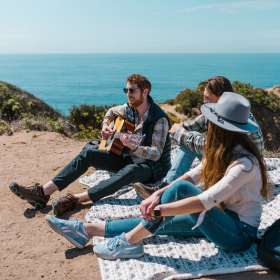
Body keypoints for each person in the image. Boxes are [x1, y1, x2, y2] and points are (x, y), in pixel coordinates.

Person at [45, 92, 271, 258]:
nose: (208, 127)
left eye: (212, 123)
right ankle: (86, 230)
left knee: (176, 196)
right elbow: (193, 175)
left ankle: (130, 243)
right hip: (219, 219)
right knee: (158, 222)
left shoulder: (245, 164)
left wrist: (159, 209)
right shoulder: (222, 152)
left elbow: (205, 201)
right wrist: (159, 195)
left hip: (238, 234)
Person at [9, 74, 171, 215]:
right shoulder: (130, 108)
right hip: (127, 156)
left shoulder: (159, 119)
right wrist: (105, 125)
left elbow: (156, 154)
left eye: (132, 91)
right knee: (88, 154)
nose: (128, 94)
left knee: (131, 170)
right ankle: (43, 192)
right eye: (126, 90)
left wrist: (134, 146)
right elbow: (112, 112)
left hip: (150, 168)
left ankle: (76, 199)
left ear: (145, 92)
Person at [134, 76, 263, 199]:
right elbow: (188, 127)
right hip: (222, 163)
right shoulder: (214, 113)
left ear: (222, 98)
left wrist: (180, 133)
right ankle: (166, 187)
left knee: (191, 140)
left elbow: (216, 149)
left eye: (207, 98)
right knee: (190, 139)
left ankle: (170, 190)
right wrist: (174, 130)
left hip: (241, 169)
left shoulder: (240, 120)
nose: (204, 101)